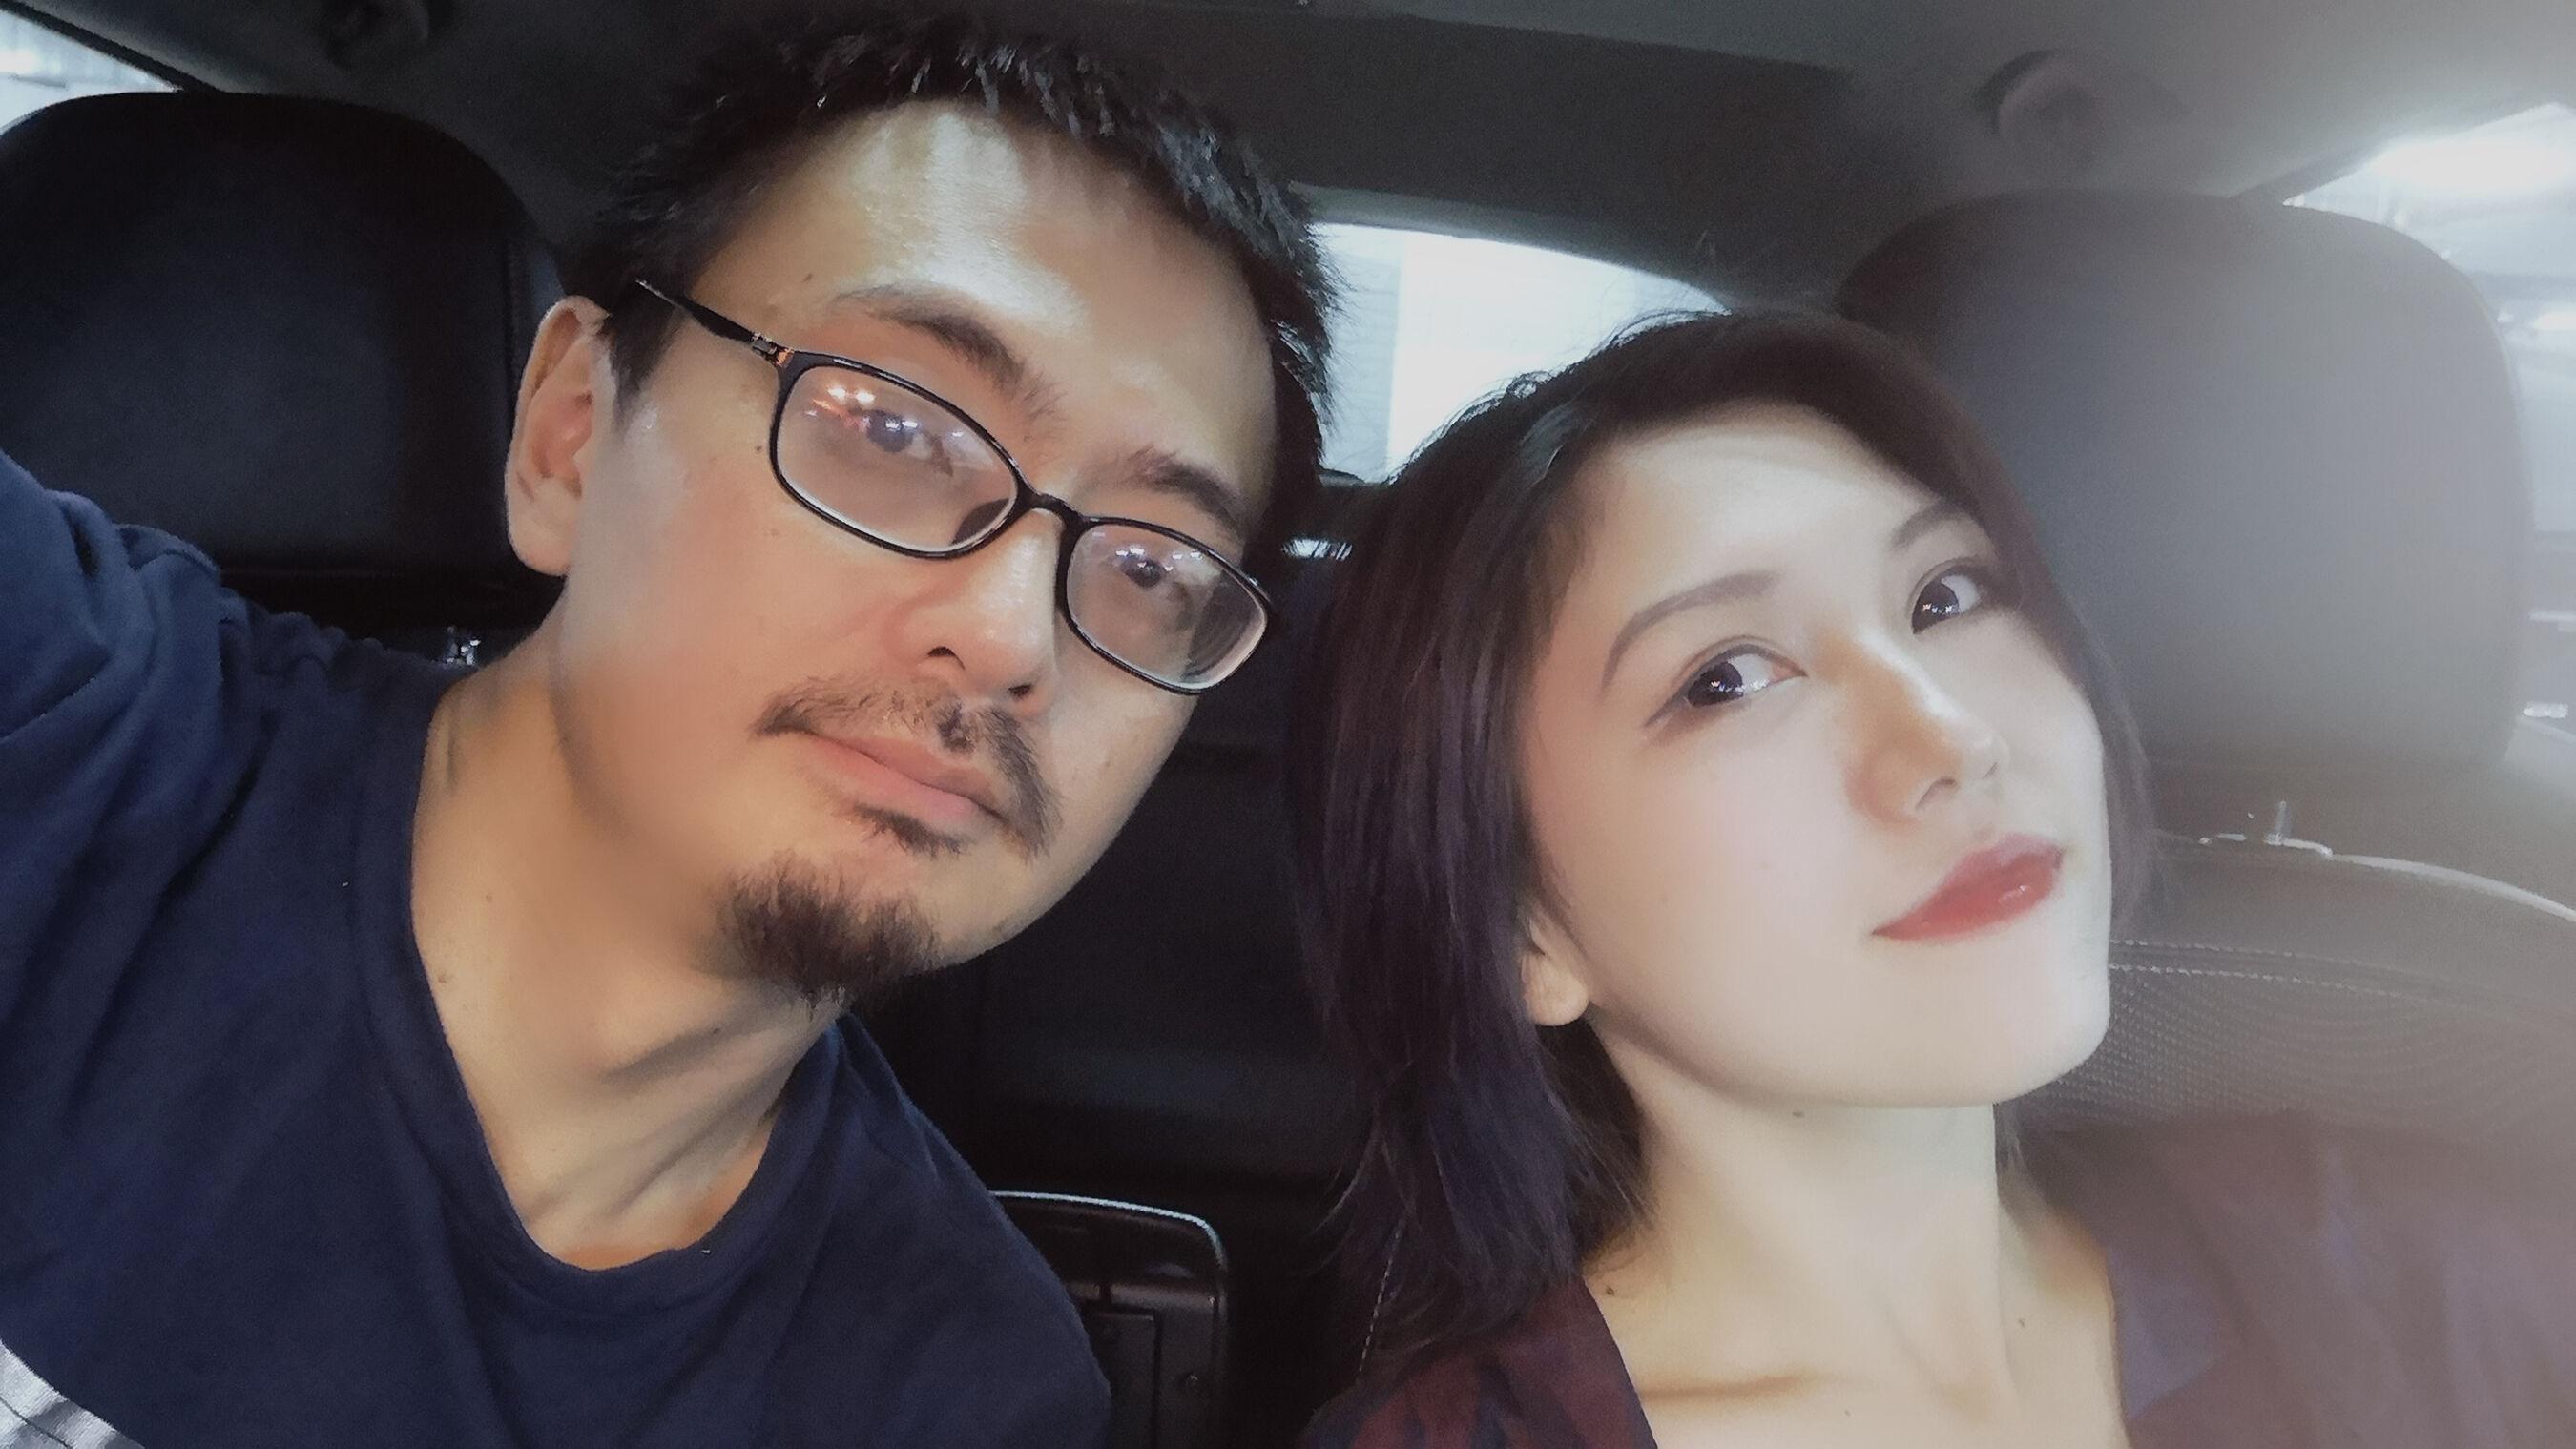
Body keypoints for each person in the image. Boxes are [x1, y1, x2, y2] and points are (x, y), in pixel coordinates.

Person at [0, 10, 1329, 1447]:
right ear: (571, 433)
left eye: (1151, 570)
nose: (1014, 640)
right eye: (891, 429)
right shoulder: (55, 713)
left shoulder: (958, 1390)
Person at [1288, 312, 2576, 1448]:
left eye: (1950, 596)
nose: (1954, 738)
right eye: (1727, 678)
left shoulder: (2417, 1273)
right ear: (1520, 930)